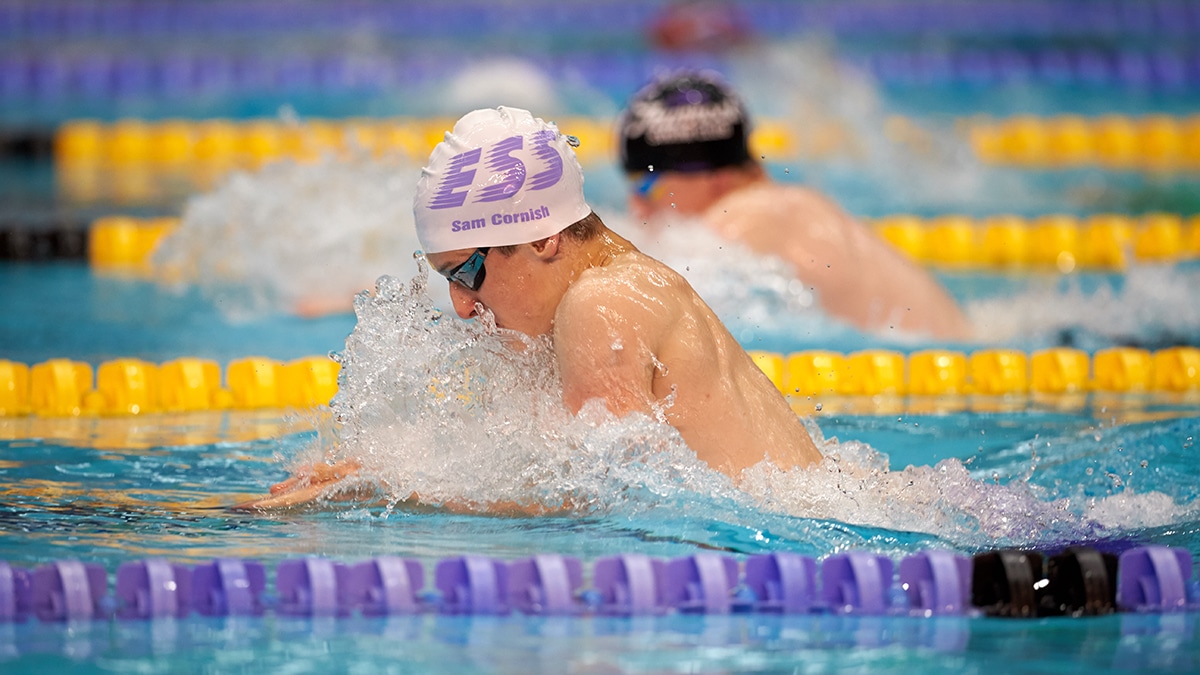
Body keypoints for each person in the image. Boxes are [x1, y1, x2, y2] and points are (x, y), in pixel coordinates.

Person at [236, 106, 821, 511]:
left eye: (466, 273)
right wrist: (379, 466)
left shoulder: (602, 303)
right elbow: (556, 463)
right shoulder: (588, 294)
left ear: (543, 239)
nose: (462, 307)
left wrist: (398, 491)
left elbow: (604, 496)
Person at [618, 70, 972, 339]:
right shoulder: (788, 206)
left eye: (647, 185)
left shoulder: (754, 216)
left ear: (715, 179)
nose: (638, 206)